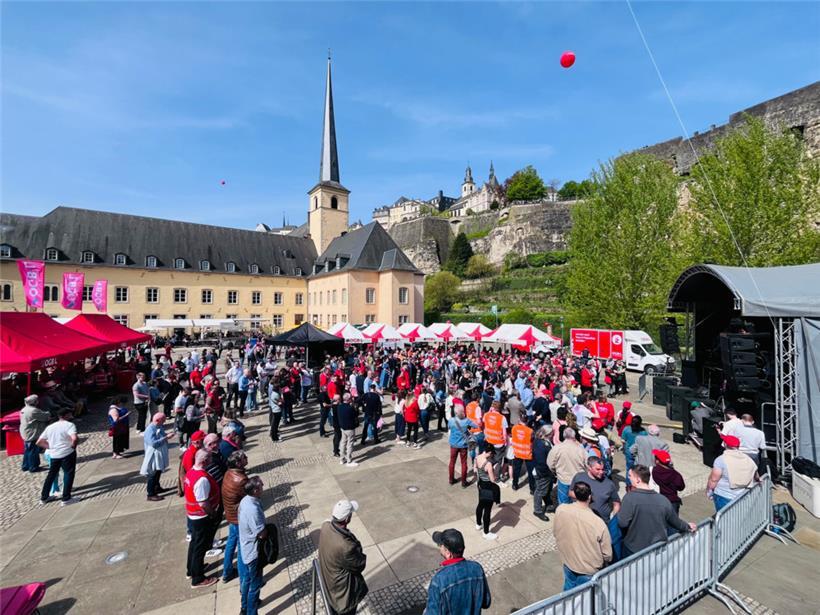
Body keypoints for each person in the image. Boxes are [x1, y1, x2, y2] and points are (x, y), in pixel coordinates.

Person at [618, 464, 696, 557]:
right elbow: (676, 522)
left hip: (634, 550)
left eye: (630, 476)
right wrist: (688, 526)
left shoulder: (629, 498)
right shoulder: (663, 500)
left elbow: (622, 523)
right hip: (658, 551)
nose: (628, 478)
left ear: (638, 480)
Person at [553, 481, 612, 590]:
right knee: (585, 597)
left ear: (575, 495)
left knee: (568, 590)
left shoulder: (561, 509)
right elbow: (607, 554)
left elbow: (556, 532)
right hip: (588, 571)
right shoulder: (598, 523)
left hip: (568, 562)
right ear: (589, 497)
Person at [318, 499, 368, 615]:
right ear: (346, 519)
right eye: (350, 514)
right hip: (342, 596)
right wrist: (356, 543)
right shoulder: (346, 547)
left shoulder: (325, 526)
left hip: (329, 583)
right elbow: (360, 564)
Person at [425, 528, 492, 614]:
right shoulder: (477, 569)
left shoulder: (438, 581)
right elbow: (486, 602)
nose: (439, 547)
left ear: (448, 553)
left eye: (440, 545)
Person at [570, 457, 622, 561]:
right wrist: (584, 497)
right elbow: (570, 492)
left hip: (602, 524)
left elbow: (616, 503)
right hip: (582, 522)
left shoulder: (609, 484)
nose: (601, 472)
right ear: (589, 468)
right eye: (598, 469)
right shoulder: (579, 477)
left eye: (603, 469)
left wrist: (613, 519)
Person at [184, 449, 220, 588]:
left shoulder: (191, 472)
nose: (212, 459)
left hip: (193, 515)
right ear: (205, 461)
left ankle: (192, 569)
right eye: (210, 457)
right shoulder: (202, 479)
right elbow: (203, 503)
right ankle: (198, 578)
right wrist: (213, 514)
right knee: (200, 547)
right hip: (201, 517)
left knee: (194, 544)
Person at [707, 434, 760, 512]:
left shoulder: (721, 460)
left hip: (723, 495)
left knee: (724, 517)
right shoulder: (748, 459)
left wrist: (709, 491)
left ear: (725, 445)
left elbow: (714, 479)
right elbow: (756, 475)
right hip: (742, 495)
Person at [238, 476, 267, 615]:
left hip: (246, 548)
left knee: (247, 580)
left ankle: (244, 607)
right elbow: (261, 533)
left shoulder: (245, 500)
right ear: (255, 490)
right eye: (261, 485)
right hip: (253, 552)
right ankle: (251, 611)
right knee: (255, 586)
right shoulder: (252, 509)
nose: (263, 485)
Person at [37, 407, 78, 505]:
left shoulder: (50, 427)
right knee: (68, 474)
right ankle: (66, 498)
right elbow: (74, 438)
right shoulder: (69, 425)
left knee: (51, 475)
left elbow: (39, 442)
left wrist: (51, 447)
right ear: (67, 415)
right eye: (70, 414)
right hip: (67, 453)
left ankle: (44, 497)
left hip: (54, 454)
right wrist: (73, 447)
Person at [221, 450, 249, 584]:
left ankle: (226, 572)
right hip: (238, 518)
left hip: (231, 515)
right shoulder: (241, 479)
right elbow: (249, 496)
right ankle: (244, 580)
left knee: (231, 543)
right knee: (243, 548)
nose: (246, 458)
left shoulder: (228, 473)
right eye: (244, 457)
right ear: (238, 463)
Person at [547, 428, 587, 505]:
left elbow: (550, 464)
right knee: (577, 503)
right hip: (578, 481)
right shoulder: (581, 450)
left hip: (563, 479)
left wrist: (556, 472)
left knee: (563, 504)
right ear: (574, 436)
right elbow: (587, 465)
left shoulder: (556, 448)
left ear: (563, 436)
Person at [140, 412, 172, 501]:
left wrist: (167, 435)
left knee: (158, 471)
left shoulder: (158, 426)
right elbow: (153, 443)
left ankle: (157, 487)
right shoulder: (150, 429)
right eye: (163, 421)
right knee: (153, 474)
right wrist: (166, 438)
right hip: (153, 455)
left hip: (159, 454)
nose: (164, 422)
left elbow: (161, 435)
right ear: (157, 420)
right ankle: (150, 494)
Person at [474, 441, 500, 541]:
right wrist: (494, 470)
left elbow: (475, 470)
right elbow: (492, 479)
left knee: (480, 505)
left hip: (481, 485)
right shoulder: (488, 464)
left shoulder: (477, 457)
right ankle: (486, 532)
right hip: (488, 487)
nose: (492, 456)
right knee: (487, 509)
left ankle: (478, 524)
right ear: (489, 452)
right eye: (492, 454)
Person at [448, 405, 478, 487]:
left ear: (456, 412)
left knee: (452, 462)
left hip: (453, 444)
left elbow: (449, 427)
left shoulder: (451, 420)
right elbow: (476, 426)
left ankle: (451, 479)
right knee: (464, 463)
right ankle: (464, 482)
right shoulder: (467, 420)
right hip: (463, 445)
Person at [20, 394, 51, 472]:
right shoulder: (33, 410)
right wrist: (48, 413)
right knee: (33, 450)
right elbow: (44, 417)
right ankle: (33, 467)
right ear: (34, 402)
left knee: (28, 450)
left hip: (25, 432)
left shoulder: (24, 409)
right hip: (31, 433)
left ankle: (25, 466)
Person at [651, 450, 685, 514]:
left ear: (657, 461)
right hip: (672, 502)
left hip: (658, 501)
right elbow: (681, 487)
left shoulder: (653, 471)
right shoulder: (675, 474)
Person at [532, 425, 555, 520]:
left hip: (547, 472)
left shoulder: (542, 441)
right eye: (552, 433)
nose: (553, 434)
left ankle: (549, 505)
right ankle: (537, 510)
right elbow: (541, 462)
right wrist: (546, 474)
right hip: (543, 473)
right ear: (548, 434)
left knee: (547, 489)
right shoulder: (541, 445)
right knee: (540, 491)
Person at [511, 417, 535, 494]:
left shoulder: (514, 428)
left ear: (519, 420)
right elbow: (533, 442)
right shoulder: (530, 431)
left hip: (517, 452)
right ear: (527, 421)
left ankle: (515, 485)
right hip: (528, 454)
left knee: (516, 470)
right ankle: (532, 489)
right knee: (530, 472)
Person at [620, 415, 646, 487]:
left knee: (629, 469)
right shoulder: (643, 432)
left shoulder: (626, 429)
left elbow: (623, 440)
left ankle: (629, 485)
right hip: (639, 453)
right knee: (639, 469)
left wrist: (624, 449)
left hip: (629, 452)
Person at [337, 393, 358, 467]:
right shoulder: (350, 408)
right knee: (350, 444)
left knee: (343, 442)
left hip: (343, 427)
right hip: (350, 428)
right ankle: (349, 460)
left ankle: (341, 459)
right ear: (349, 399)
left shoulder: (339, 406)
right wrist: (354, 407)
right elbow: (356, 415)